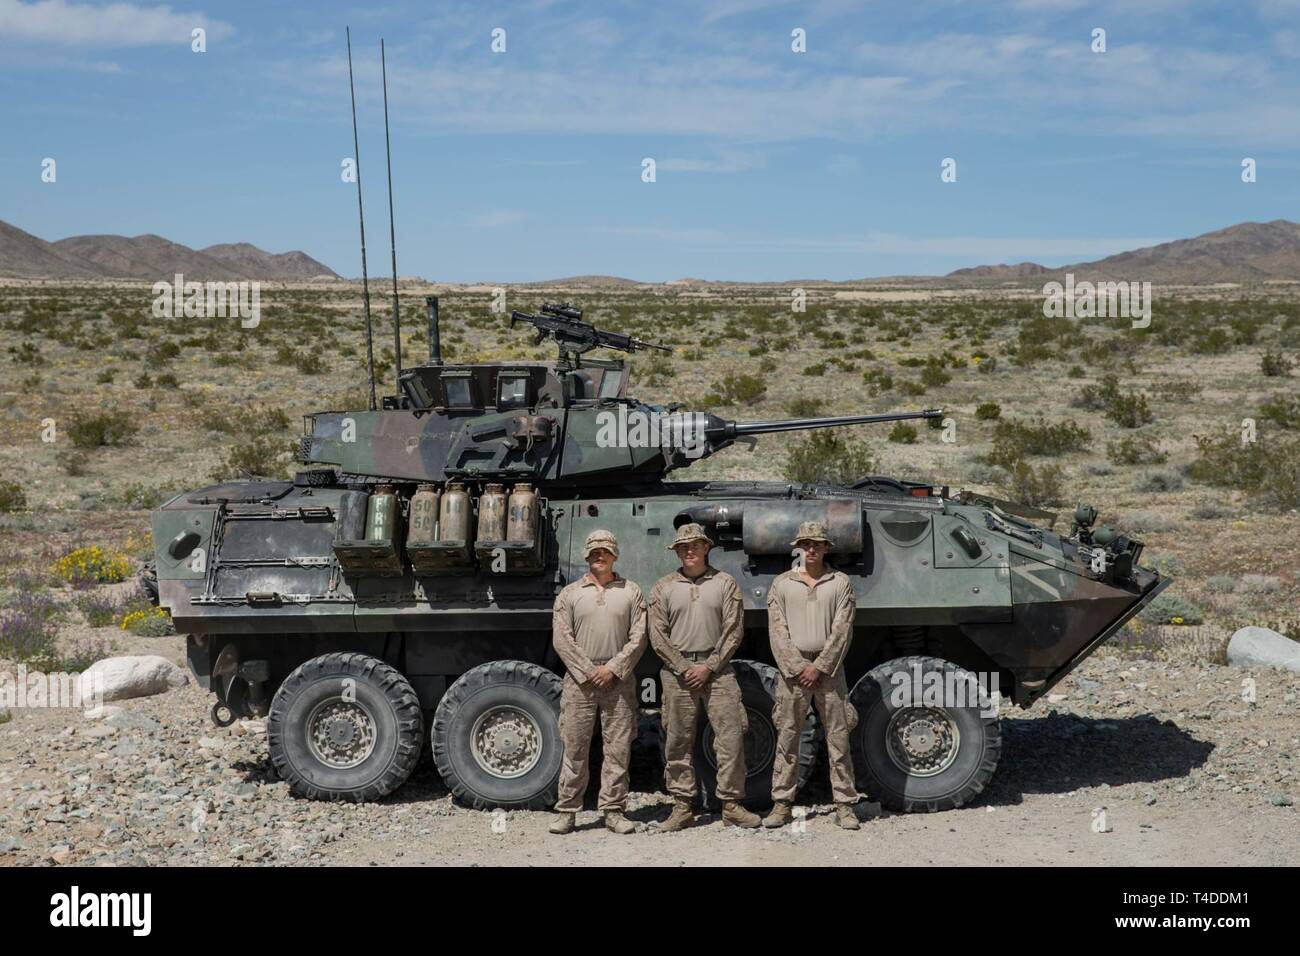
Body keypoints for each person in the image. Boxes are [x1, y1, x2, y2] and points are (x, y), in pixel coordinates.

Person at [648, 523, 761, 830]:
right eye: (683, 547)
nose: (689, 550)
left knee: (731, 737)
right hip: (678, 673)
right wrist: (684, 668)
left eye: (695, 545)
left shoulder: (725, 583)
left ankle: (731, 804)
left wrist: (709, 666)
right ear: (677, 551)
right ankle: (683, 806)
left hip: (718, 670)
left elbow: (733, 630)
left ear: (706, 548)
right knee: (677, 740)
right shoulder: (663, 587)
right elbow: (657, 635)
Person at [763, 520, 862, 830]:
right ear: (799, 547)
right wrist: (798, 667)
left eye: (817, 544)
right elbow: (777, 630)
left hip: (829, 669)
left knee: (838, 737)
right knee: (788, 736)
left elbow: (842, 629)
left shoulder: (840, 582)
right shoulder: (782, 584)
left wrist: (819, 666)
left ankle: (845, 804)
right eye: (806, 544)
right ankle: (782, 803)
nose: (811, 549)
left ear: (826, 548)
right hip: (793, 672)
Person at [549, 530, 647, 835]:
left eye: (605, 551)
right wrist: (589, 670)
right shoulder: (570, 594)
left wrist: (613, 668)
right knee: (575, 748)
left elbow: (639, 637)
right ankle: (567, 811)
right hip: (580, 682)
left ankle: (613, 811)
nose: (599, 556)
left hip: (618, 682)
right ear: (586, 556)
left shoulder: (631, 592)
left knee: (618, 749)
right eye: (594, 552)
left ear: (615, 555)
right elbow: (561, 638)